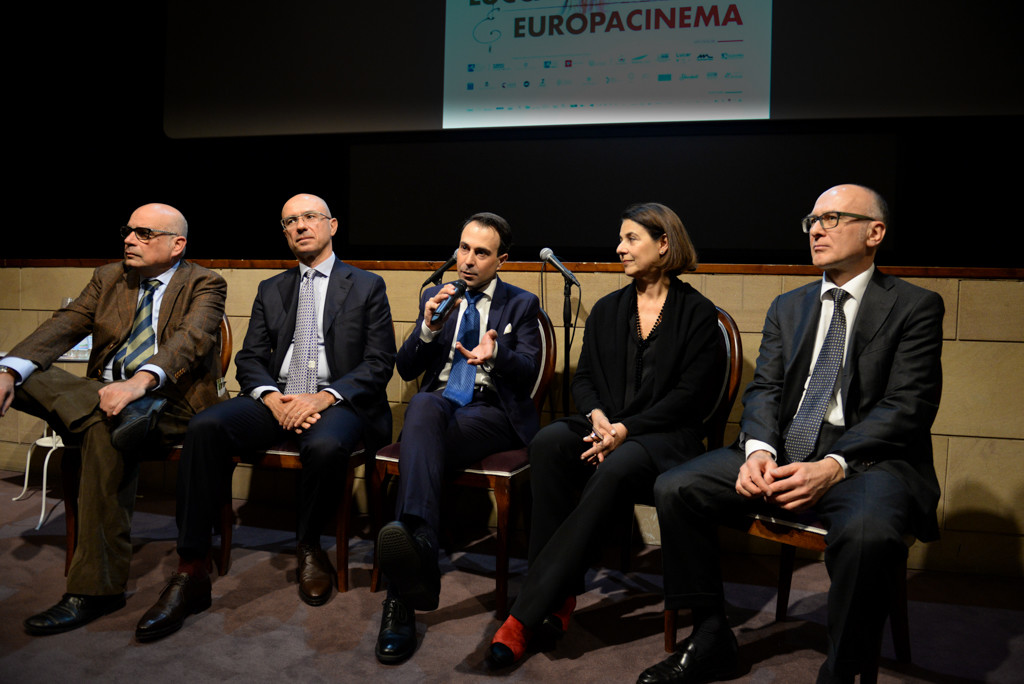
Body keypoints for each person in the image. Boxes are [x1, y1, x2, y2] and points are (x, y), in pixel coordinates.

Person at [637, 185, 944, 684]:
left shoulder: (915, 306)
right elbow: (766, 389)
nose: (816, 229)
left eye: (832, 218)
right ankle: (712, 637)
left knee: (868, 534)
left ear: (875, 233)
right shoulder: (789, 305)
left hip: (869, 459)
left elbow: (908, 407)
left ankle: (841, 671)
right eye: (811, 221)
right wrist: (758, 449)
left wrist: (833, 465)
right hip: (785, 447)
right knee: (677, 487)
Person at [134, 193, 396, 641]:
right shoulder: (271, 288)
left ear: (333, 225)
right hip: (277, 397)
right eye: (289, 221)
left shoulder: (367, 285)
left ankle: (310, 546)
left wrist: (323, 398)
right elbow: (251, 358)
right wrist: (272, 397)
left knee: (326, 444)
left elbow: (378, 362)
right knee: (206, 427)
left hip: (339, 403)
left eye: (310, 217)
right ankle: (191, 564)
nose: (299, 226)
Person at [487, 202, 723, 667]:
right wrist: (596, 415)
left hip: (664, 437)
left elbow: (691, 398)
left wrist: (626, 429)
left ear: (664, 245)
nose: (619, 248)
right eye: (621, 238)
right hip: (607, 426)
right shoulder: (609, 308)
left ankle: (528, 611)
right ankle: (561, 596)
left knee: (619, 464)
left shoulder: (697, 313)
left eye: (632, 238)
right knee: (550, 442)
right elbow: (584, 379)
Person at [0, 203, 227, 635]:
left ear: (177, 244)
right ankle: (92, 408)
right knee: (34, 376)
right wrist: (9, 371)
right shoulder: (109, 277)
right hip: (106, 396)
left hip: (170, 403)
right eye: (128, 231)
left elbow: (190, 340)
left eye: (143, 233)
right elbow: (66, 325)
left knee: (105, 422)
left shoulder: (205, 282)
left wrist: (139, 383)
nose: (128, 240)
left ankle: (95, 591)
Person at [374, 212, 542, 664]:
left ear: (500, 260)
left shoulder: (521, 304)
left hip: (491, 411)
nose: (467, 260)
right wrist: (428, 327)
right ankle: (420, 553)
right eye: (463, 248)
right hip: (441, 408)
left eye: (481, 253)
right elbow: (407, 368)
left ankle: (401, 595)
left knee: (421, 429)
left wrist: (498, 353)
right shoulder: (438, 296)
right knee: (425, 404)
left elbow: (529, 373)